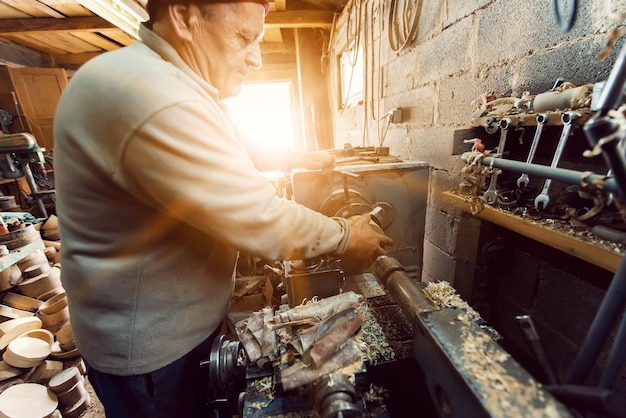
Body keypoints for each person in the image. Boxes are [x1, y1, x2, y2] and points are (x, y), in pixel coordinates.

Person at [53, 1, 393, 417]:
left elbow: (233, 148)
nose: (256, 56)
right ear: (183, 15)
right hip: (151, 357)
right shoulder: (149, 93)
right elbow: (259, 215)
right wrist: (344, 236)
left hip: (175, 330)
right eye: (244, 38)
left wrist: (302, 158)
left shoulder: (173, 81)